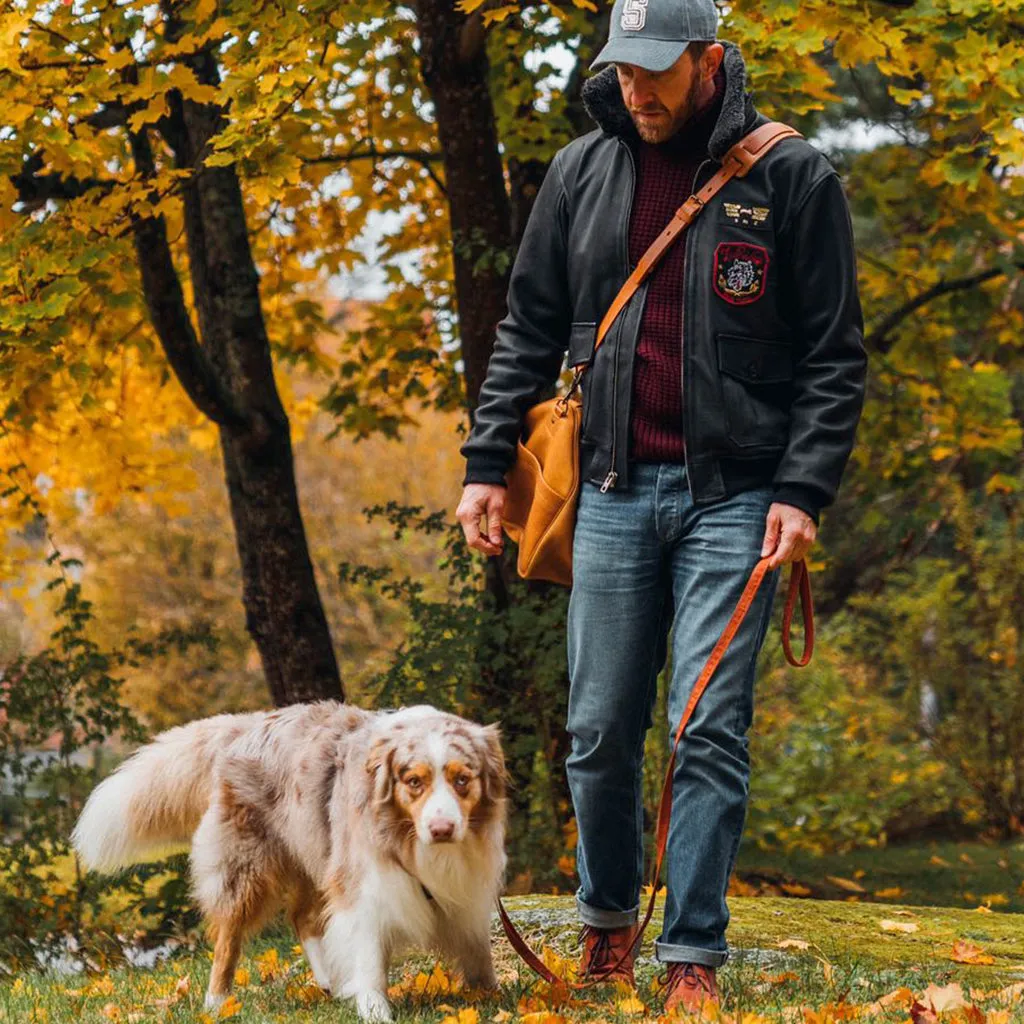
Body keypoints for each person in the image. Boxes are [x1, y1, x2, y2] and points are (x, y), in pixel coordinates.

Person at [456, 0, 867, 1013]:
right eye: (623, 70)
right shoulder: (581, 173)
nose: (637, 89)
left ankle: (690, 954)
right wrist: (481, 462)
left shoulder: (791, 175)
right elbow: (528, 327)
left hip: (736, 499)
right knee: (597, 730)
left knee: (707, 730)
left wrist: (802, 491)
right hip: (605, 490)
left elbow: (833, 358)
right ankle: (606, 932)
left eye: (656, 69)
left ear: (707, 57)